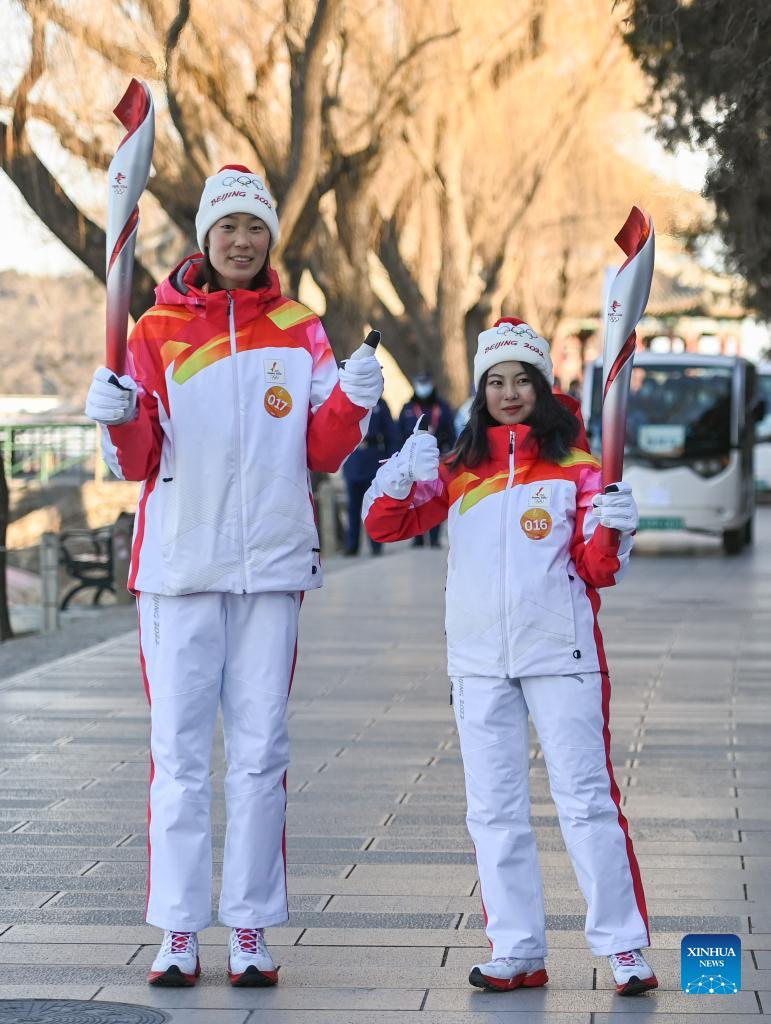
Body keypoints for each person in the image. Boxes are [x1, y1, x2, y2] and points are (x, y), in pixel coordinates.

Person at [85, 165, 383, 989]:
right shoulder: (154, 329)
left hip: (273, 565)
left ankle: (248, 927)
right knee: (178, 757)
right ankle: (179, 931)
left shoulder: (300, 329)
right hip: (179, 569)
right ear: (206, 238)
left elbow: (322, 450)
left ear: (269, 239)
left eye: (255, 228)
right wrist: (119, 417)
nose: (242, 241)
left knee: (260, 754)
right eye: (228, 228)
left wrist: (353, 403)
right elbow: (137, 462)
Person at [362, 318, 656, 997]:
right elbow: (385, 525)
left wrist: (612, 530)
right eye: (495, 381)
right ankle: (517, 950)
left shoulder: (579, 469)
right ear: (481, 391)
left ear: (542, 387)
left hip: (561, 654)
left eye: (522, 379)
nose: (509, 392)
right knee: (493, 812)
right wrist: (401, 475)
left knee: (586, 804)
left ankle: (623, 949)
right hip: (478, 660)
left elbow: (597, 568)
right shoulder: (460, 469)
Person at [398, 372, 455, 547]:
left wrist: (450, 455)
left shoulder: (442, 407)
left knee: (435, 496)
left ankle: (434, 537)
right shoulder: (408, 408)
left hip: (436, 459)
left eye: (426, 384)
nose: (423, 388)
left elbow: (451, 433)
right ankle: (418, 537)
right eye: (420, 384)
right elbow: (400, 434)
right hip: (412, 461)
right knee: (414, 497)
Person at [342, 396, 399, 556]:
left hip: (373, 459)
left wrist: (389, 461)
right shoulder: (347, 399)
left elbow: (391, 435)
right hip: (352, 458)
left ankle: (376, 542)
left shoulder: (379, 404)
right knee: (353, 506)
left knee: (374, 505)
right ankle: (352, 544)